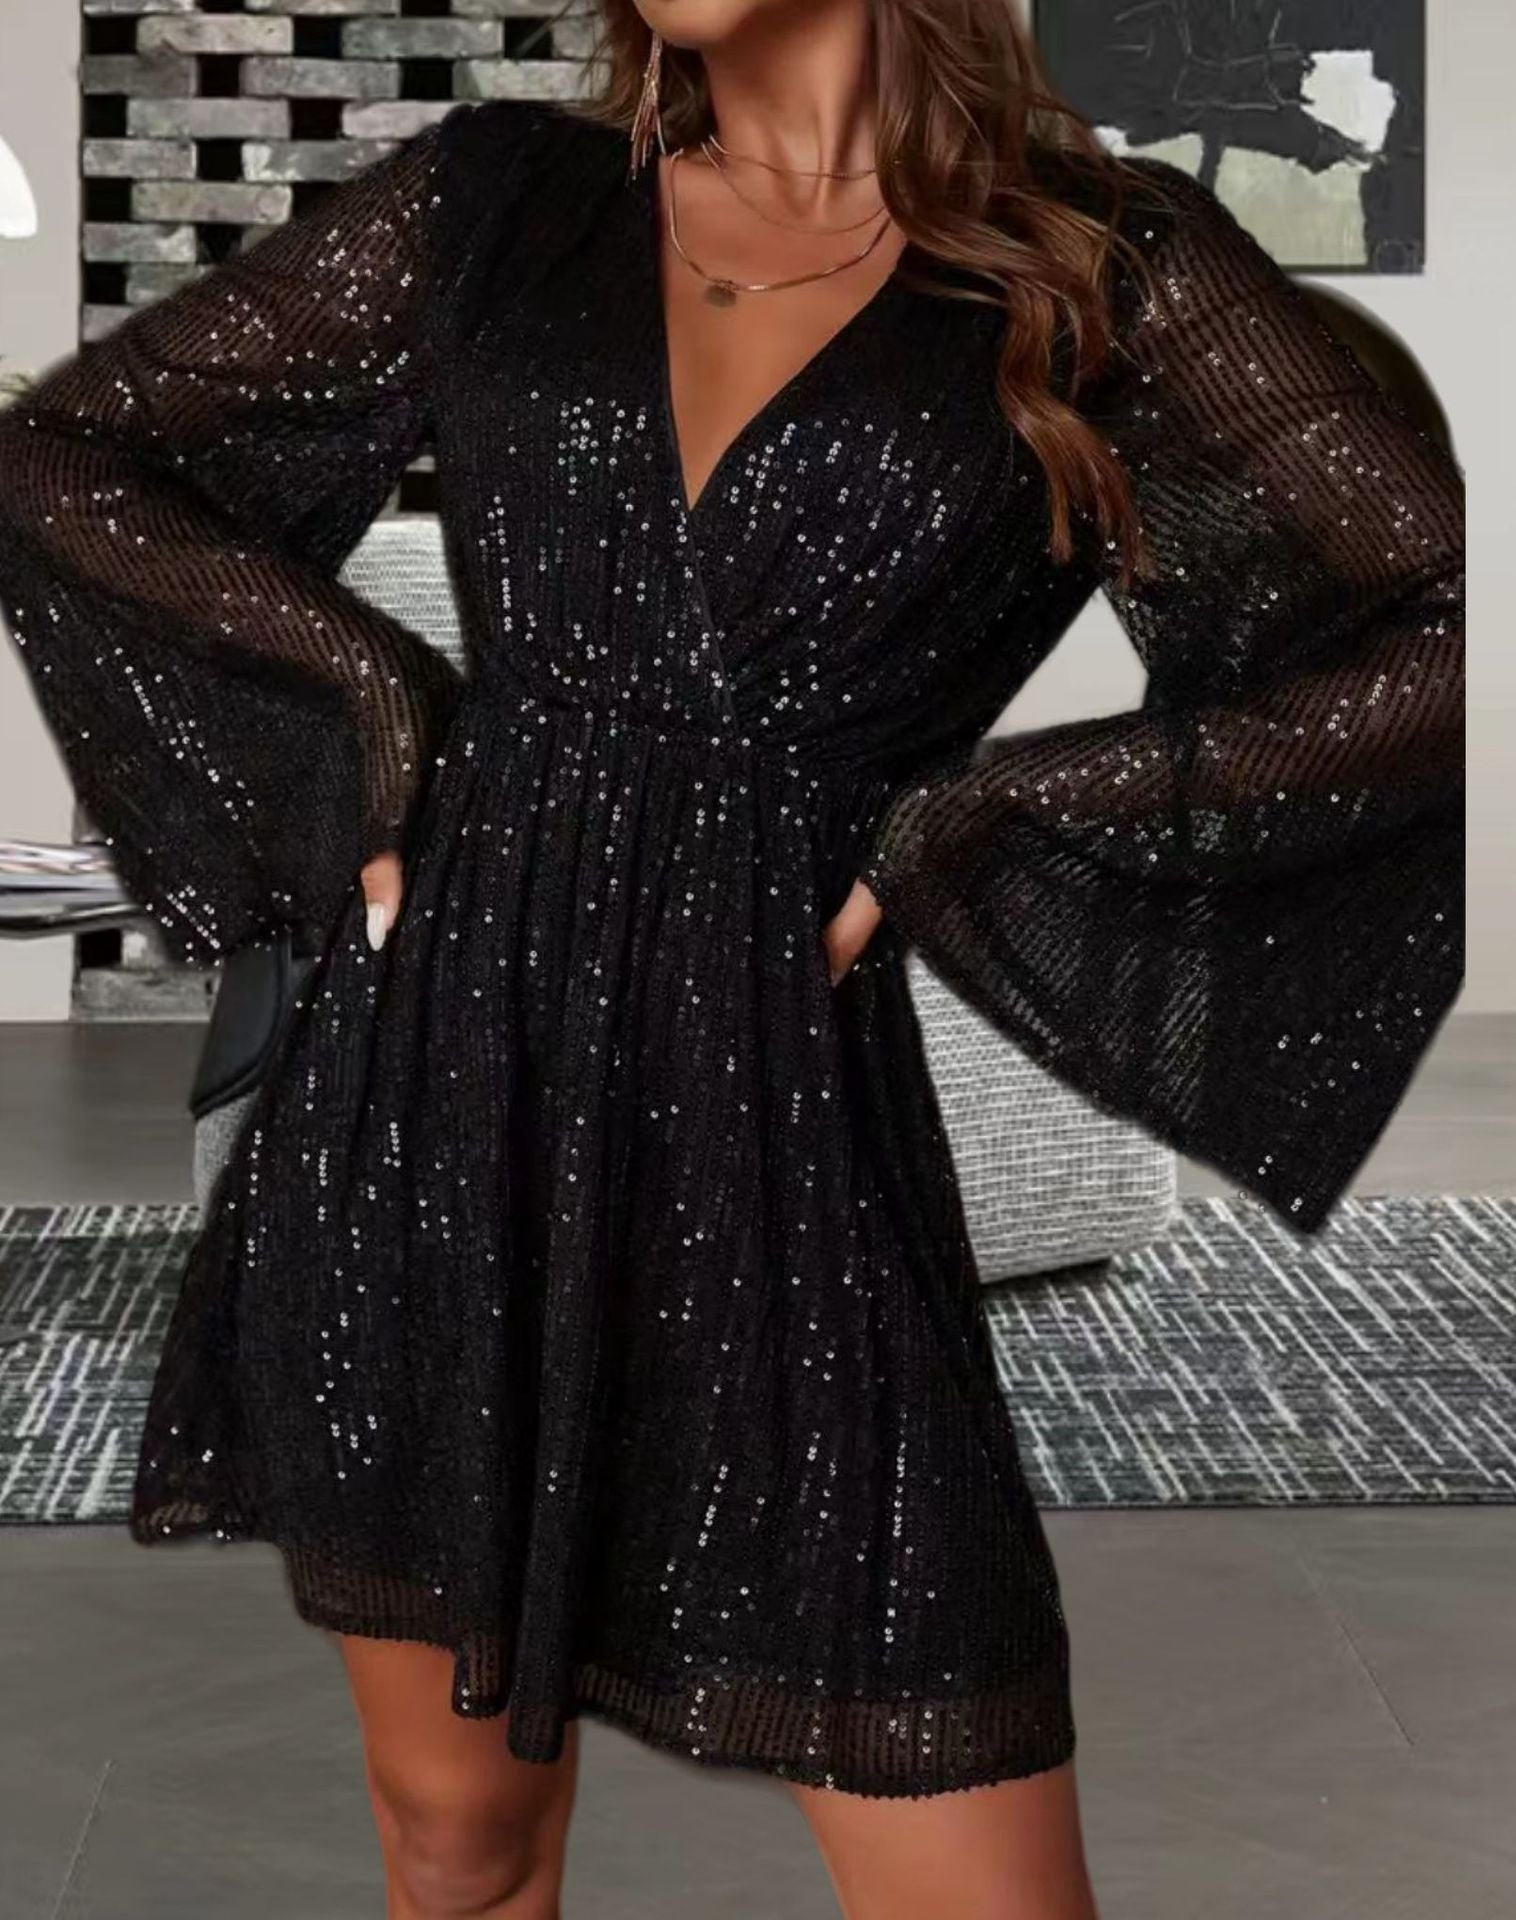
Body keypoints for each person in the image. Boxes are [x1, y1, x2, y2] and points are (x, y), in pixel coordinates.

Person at [0, 1, 1464, 1915]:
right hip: (438, 1068)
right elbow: (71, 458)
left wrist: (968, 830)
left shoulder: (1103, 262)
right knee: (456, 1846)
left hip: (785, 1103)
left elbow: (1430, 623)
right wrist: (368, 713)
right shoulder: (498, 200)